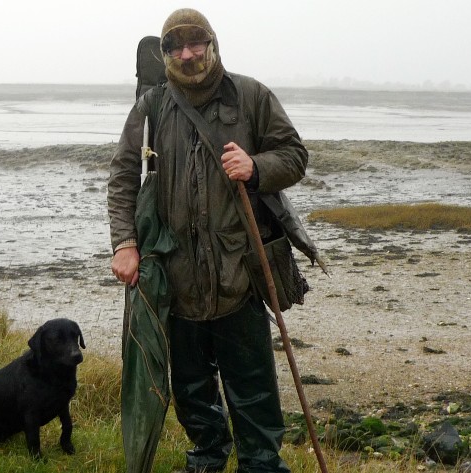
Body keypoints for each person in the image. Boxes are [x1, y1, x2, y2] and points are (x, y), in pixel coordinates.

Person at [107, 8, 308, 473]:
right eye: (175, 46)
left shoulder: (251, 96)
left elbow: (295, 155)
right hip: (175, 277)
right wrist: (125, 243)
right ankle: (208, 457)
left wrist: (256, 167)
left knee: (252, 385)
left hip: (240, 273)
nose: (187, 54)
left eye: (195, 42)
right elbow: (122, 177)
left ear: (213, 44)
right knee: (191, 387)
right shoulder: (151, 107)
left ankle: (260, 464)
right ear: (165, 54)